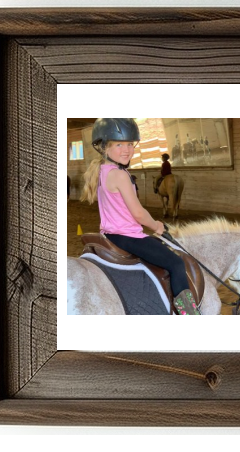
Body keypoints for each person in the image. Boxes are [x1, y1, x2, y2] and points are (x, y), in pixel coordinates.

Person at [81, 118, 200, 315]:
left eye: (129, 144)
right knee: (176, 263)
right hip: (129, 237)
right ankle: (189, 315)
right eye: (119, 144)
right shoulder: (120, 175)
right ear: (104, 147)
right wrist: (157, 226)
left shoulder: (103, 170)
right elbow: (138, 213)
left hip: (111, 236)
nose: (126, 149)